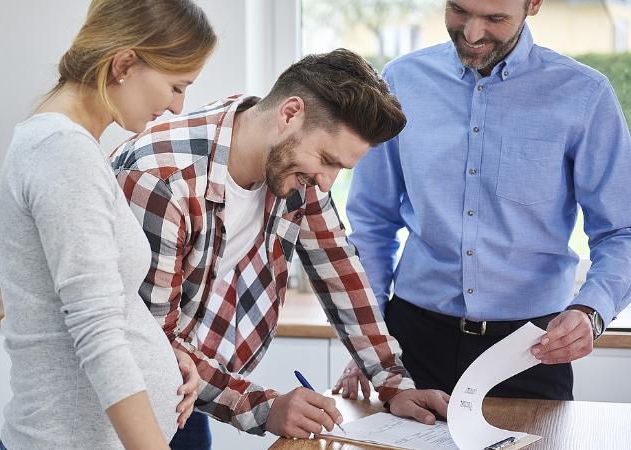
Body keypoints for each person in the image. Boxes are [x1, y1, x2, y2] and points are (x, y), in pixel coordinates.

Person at [111, 48, 450, 448]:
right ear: (289, 114)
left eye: (339, 169)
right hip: (112, 405)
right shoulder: (163, 181)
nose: (326, 183)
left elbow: (339, 269)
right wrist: (265, 407)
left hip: (180, 392)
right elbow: (150, 340)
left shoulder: (287, 163)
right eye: (326, 159)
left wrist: (393, 385)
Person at [342, 0, 631, 402]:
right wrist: (368, 339)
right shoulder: (401, 82)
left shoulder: (584, 95)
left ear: (533, 5)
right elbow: (372, 222)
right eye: (459, 10)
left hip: (529, 351)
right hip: (411, 343)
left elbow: (622, 231)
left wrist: (591, 311)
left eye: (495, 18)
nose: (472, 33)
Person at [0, 1, 216, 449]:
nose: (177, 107)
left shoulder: (73, 146)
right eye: (176, 86)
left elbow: (99, 304)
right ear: (125, 63)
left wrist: (161, 353)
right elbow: (94, 328)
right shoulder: (62, 151)